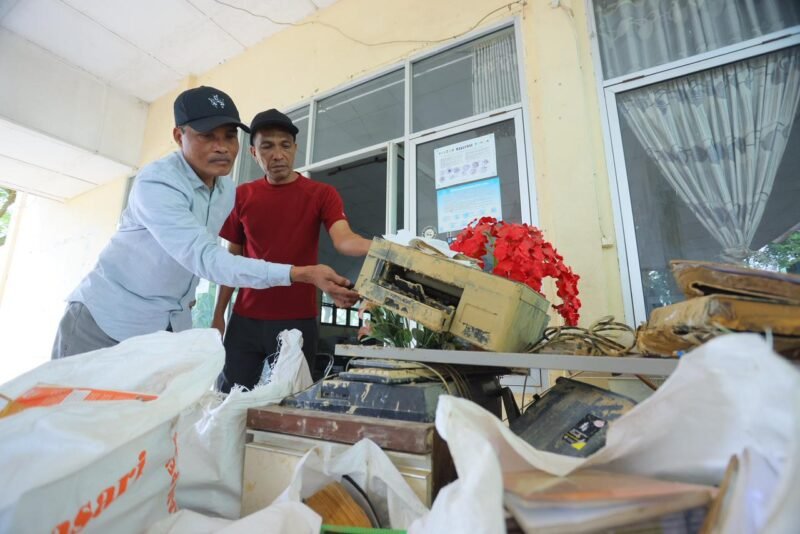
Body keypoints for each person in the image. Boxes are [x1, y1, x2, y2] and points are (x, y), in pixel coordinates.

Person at [51, 87, 358, 360]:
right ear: (178, 136)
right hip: (105, 323)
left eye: (228, 136)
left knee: (145, 423)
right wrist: (301, 274)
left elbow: (208, 256)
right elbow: (208, 258)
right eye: (207, 136)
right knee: (68, 422)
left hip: (163, 330)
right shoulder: (158, 182)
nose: (222, 147)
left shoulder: (224, 189)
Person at [213, 108, 373, 392]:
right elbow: (231, 262)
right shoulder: (241, 196)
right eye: (267, 146)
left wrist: (389, 249)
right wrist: (218, 316)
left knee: (290, 400)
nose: (277, 154)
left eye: (285, 145)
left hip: (297, 321)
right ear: (253, 153)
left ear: (295, 149)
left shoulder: (321, 194)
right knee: (229, 398)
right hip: (245, 319)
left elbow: (344, 241)